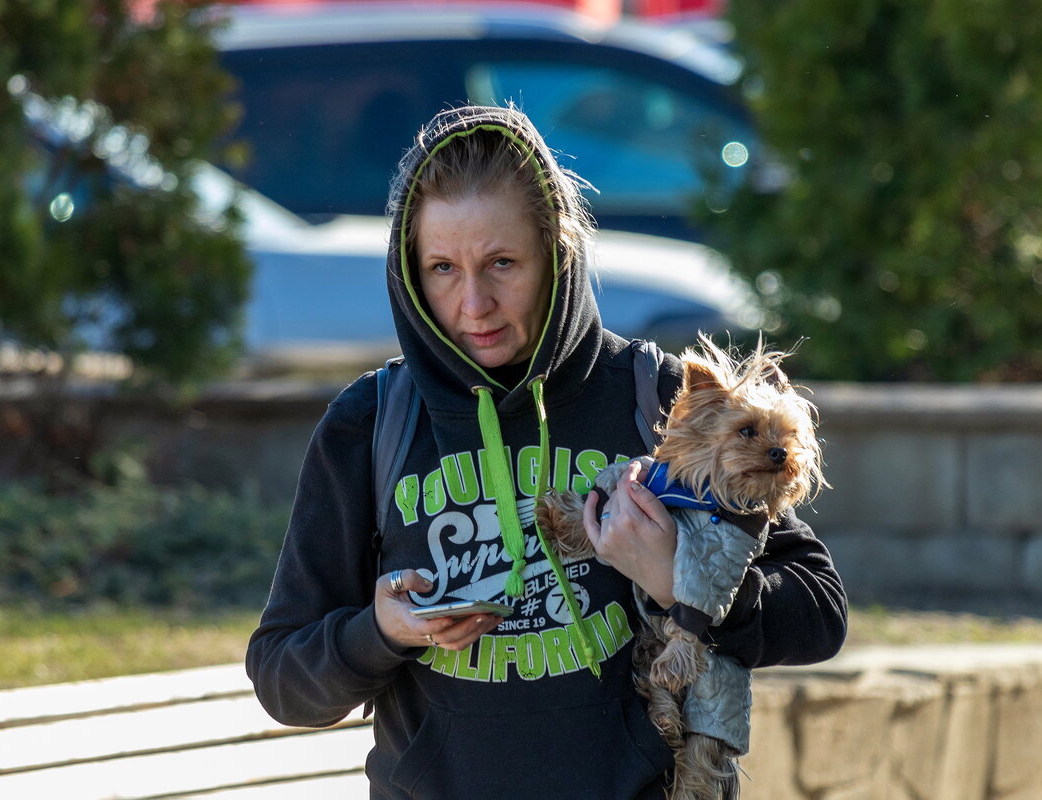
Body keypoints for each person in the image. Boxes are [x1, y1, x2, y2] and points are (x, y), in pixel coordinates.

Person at [245, 105, 847, 800]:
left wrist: (679, 581)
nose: (475, 304)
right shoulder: (372, 423)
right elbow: (283, 680)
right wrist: (379, 630)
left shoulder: (662, 401)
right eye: (442, 268)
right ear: (409, 273)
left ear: (558, 252)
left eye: (503, 263)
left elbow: (819, 611)